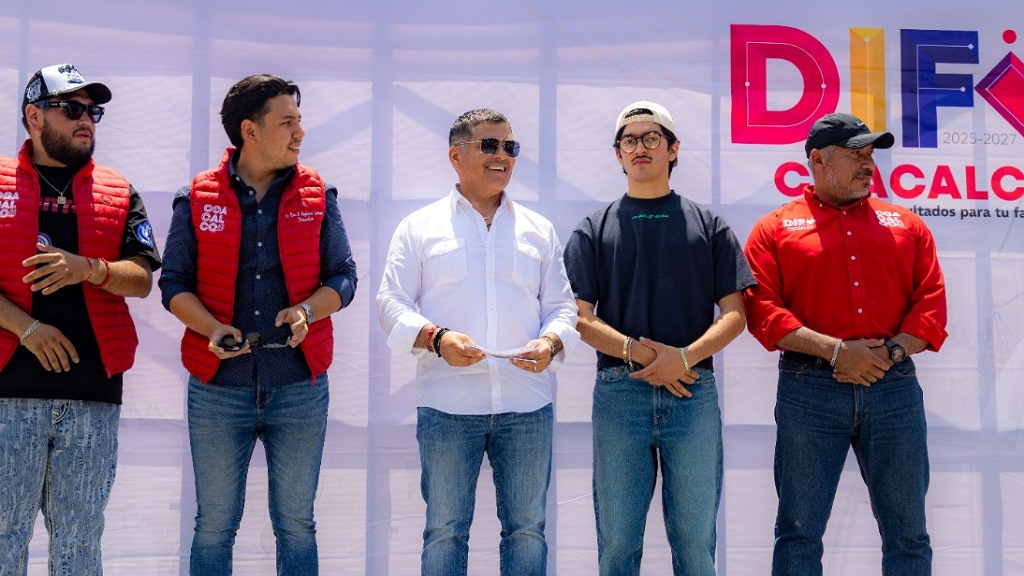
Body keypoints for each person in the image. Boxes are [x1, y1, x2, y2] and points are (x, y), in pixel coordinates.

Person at [159, 74, 358, 576]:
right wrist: (211, 328)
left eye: (299, 120)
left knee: (297, 525)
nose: (300, 132)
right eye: (287, 122)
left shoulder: (318, 194)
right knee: (214, 525)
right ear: (250, 130)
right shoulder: (196, 197)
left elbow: (344, 277)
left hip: (299, 386)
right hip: (217, 388)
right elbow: (173, 283)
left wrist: (307, 311)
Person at [376, 108, 579, 576]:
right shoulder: (419, 227)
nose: (502, 155)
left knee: (527, 530)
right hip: (447, 406)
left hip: (527, 404)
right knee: (445, 531)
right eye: (489, 145)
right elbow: (391, 303)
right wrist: (436, 338)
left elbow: (562, 306)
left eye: (510, 147)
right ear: (456, 155)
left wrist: (550, 343)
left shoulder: (538, 229)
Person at [743, 112, 948, 576]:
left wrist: (889, 354)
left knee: (909, 534)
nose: (868, 165)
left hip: (893, 386)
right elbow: (763, 312)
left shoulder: (907, 225)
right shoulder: (774, 229)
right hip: (809, 390)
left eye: (870, 155)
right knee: (798, 533)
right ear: (818, 160)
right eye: (856, 154)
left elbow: (931, 306)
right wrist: (837, 352)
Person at [562, 101, 754, 575]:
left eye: (652, 137)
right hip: (620, 394)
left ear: (673, 149)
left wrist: (684, 358)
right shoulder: (593, 229)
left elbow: (735, 315)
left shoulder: (709, 226)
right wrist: (640, 353)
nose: (640, 147)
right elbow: (579, 318)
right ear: (618, 154)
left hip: (692, 392)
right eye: (629, 140)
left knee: (695, 544)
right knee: (618, 544)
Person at [0, 63, 161, 575]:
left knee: (80, 539)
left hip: (93, 395)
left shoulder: (118, 189)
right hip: (7, 394)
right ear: (34, 116)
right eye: (71, 109)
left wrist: (88, 269)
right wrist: (26, 329)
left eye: (93, 111)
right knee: (3, 536)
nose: (86, 119)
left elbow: (142, 278)